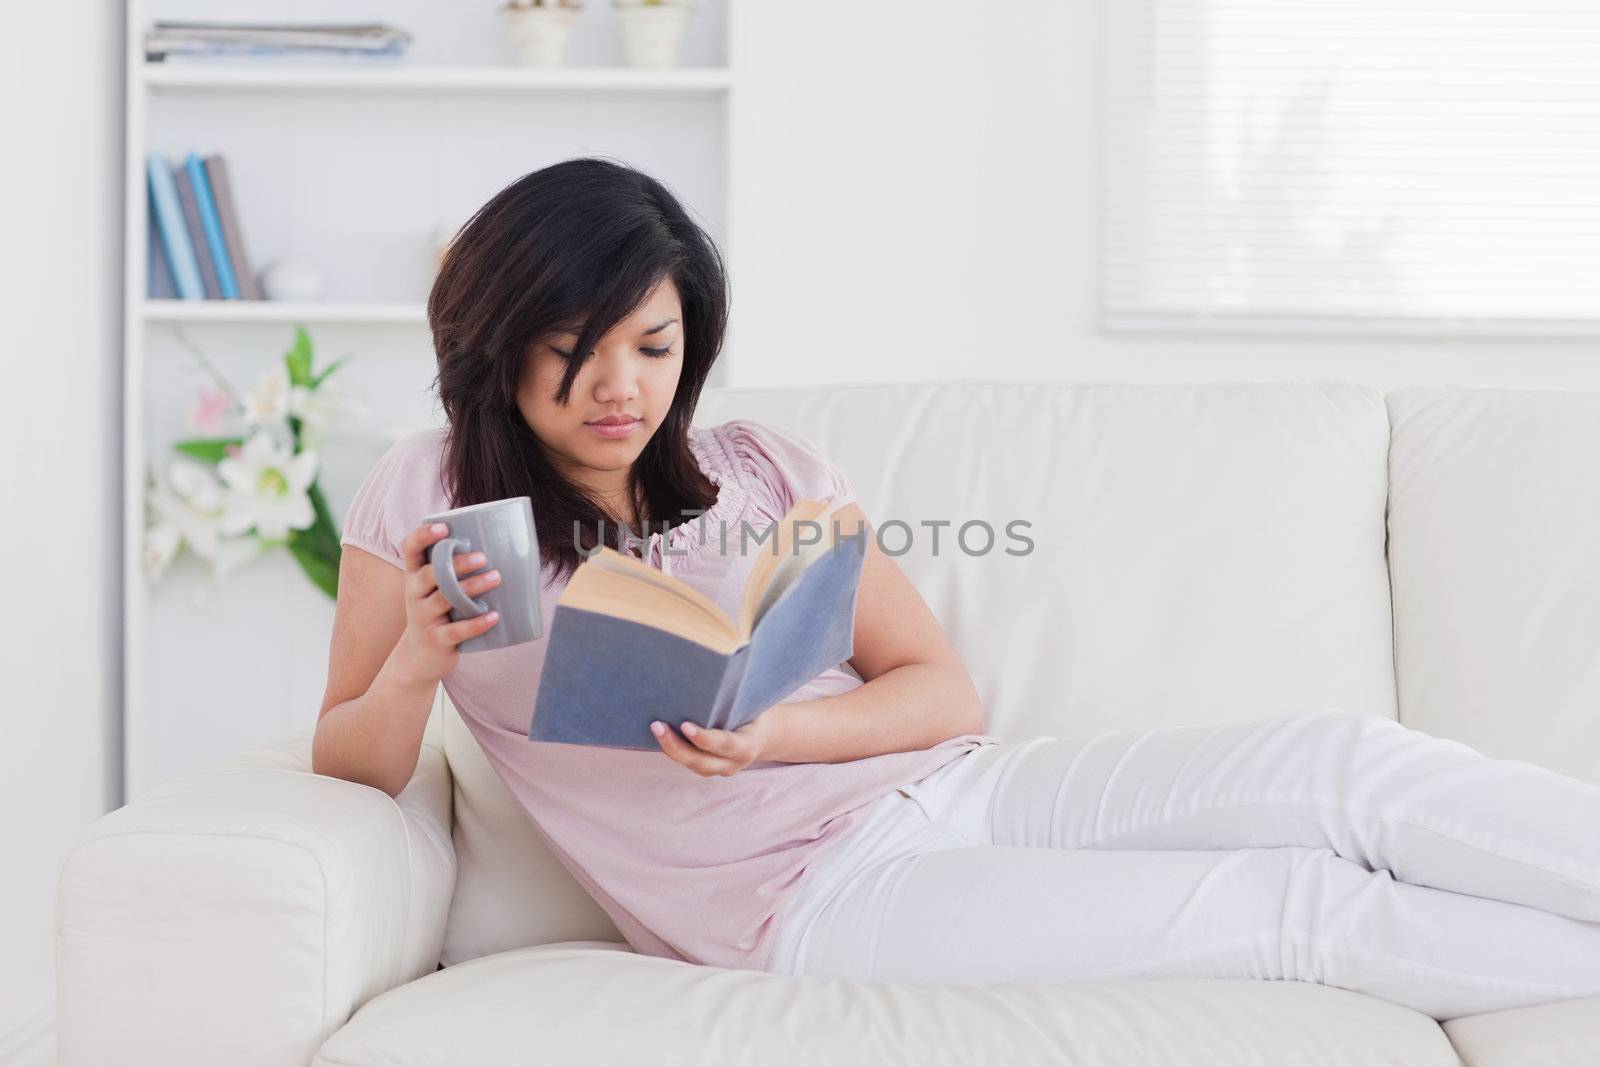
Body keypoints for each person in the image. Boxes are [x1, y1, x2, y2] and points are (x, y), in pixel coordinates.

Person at [313, 157, 1600, 1023]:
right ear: (500, 339)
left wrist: (773, 728)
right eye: (574, 350)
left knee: (1340, 764)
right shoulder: (432, 491)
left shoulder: (763, 470)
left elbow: (939, 690)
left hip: (958, 787)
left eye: (654, 348)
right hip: (809, 900)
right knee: (1293, 906)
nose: (620, 388)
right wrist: (423, 661)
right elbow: (348, 759)